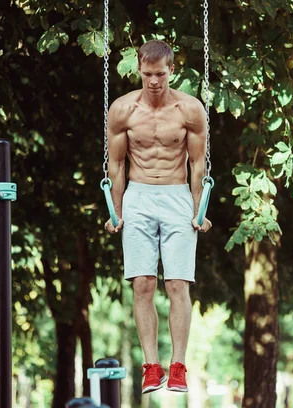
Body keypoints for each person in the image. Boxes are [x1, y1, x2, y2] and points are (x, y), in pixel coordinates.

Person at [104, 39, 212, 394]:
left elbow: (198, 164)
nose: (154, 81)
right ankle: (152, 367)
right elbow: (116, 165)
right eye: (148, 74)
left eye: (161, 74)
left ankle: (178, 366)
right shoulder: (122, 110)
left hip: (177, 195)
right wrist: (116, 212)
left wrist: (199, 210)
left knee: (177, 284)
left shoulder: (189, 109)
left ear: (172, 70)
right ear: (139, 70)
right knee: (143, 284)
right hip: (137, 197)